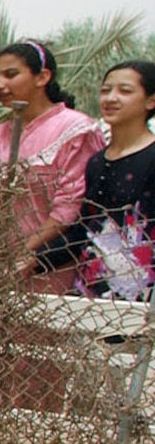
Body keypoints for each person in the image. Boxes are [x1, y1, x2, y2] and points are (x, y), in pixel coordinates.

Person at [0, 40, 106, 293]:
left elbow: (70, 205)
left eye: (11, 75)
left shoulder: (75, 131)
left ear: (42, 77)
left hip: (50, 265)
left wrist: (27, 252)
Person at [54, 60, 155, 301]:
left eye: (125, 91)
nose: (111, 98)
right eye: (106, 90)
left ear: (151, 100)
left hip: (141, 301)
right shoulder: (96, 162)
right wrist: (34, 260)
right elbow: (84, 228)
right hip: (90, 296)